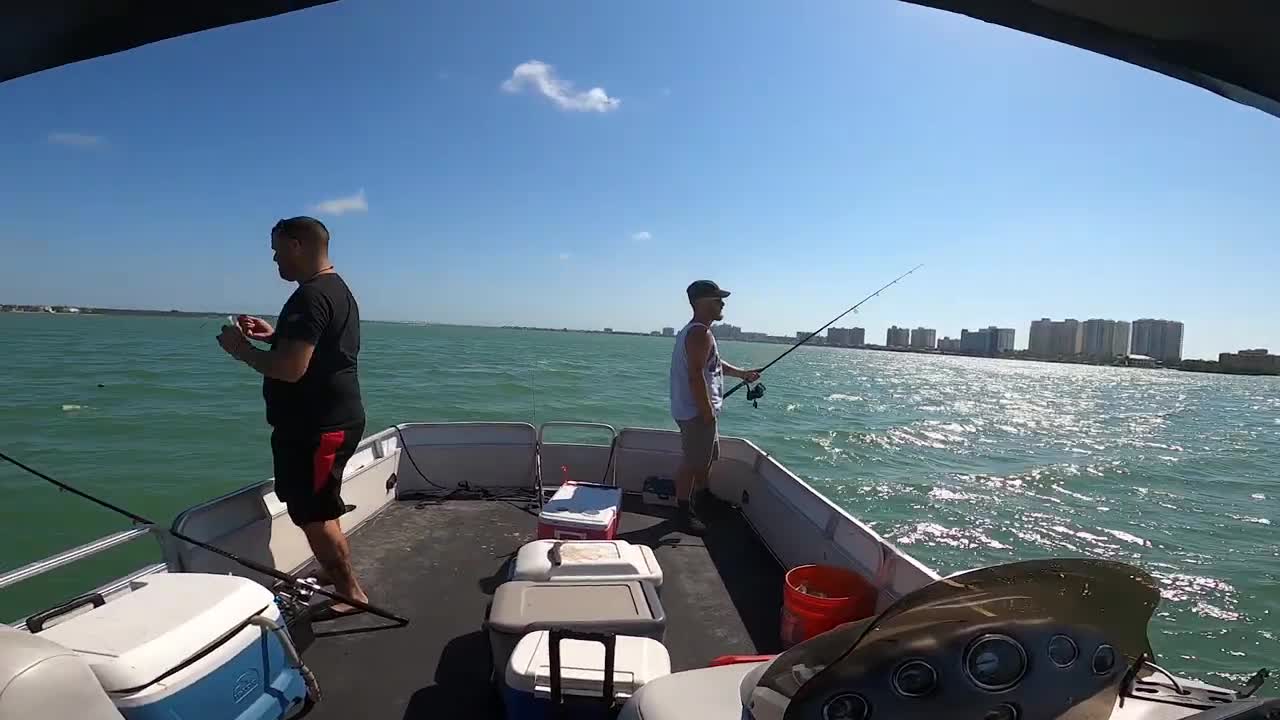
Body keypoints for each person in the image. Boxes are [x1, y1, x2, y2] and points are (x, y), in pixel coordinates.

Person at [216, 216, 368, 620]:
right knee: (318, 509)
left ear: (298, 245)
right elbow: (321, 350)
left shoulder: (310, 298)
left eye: (276, 249)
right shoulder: (333, 290)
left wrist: (240, 350)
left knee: (315, 516)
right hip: (326, 421)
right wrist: (275, 335)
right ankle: (337, 571)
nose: (274, 259)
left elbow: (289, 369)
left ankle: (351, 593)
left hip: (319, 428)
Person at [669, 280, 761, 535]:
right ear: (701, 303)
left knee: (706, 458)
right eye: (717, 299)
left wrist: (742, 374)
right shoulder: (699, 333)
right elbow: (695, 376)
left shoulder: (698, 332)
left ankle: (704, 498)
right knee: (692, 463)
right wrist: (706, 411)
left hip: (700, 411)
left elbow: (714, 365)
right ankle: (682, 513)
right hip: (696, 413)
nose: (722, 303)